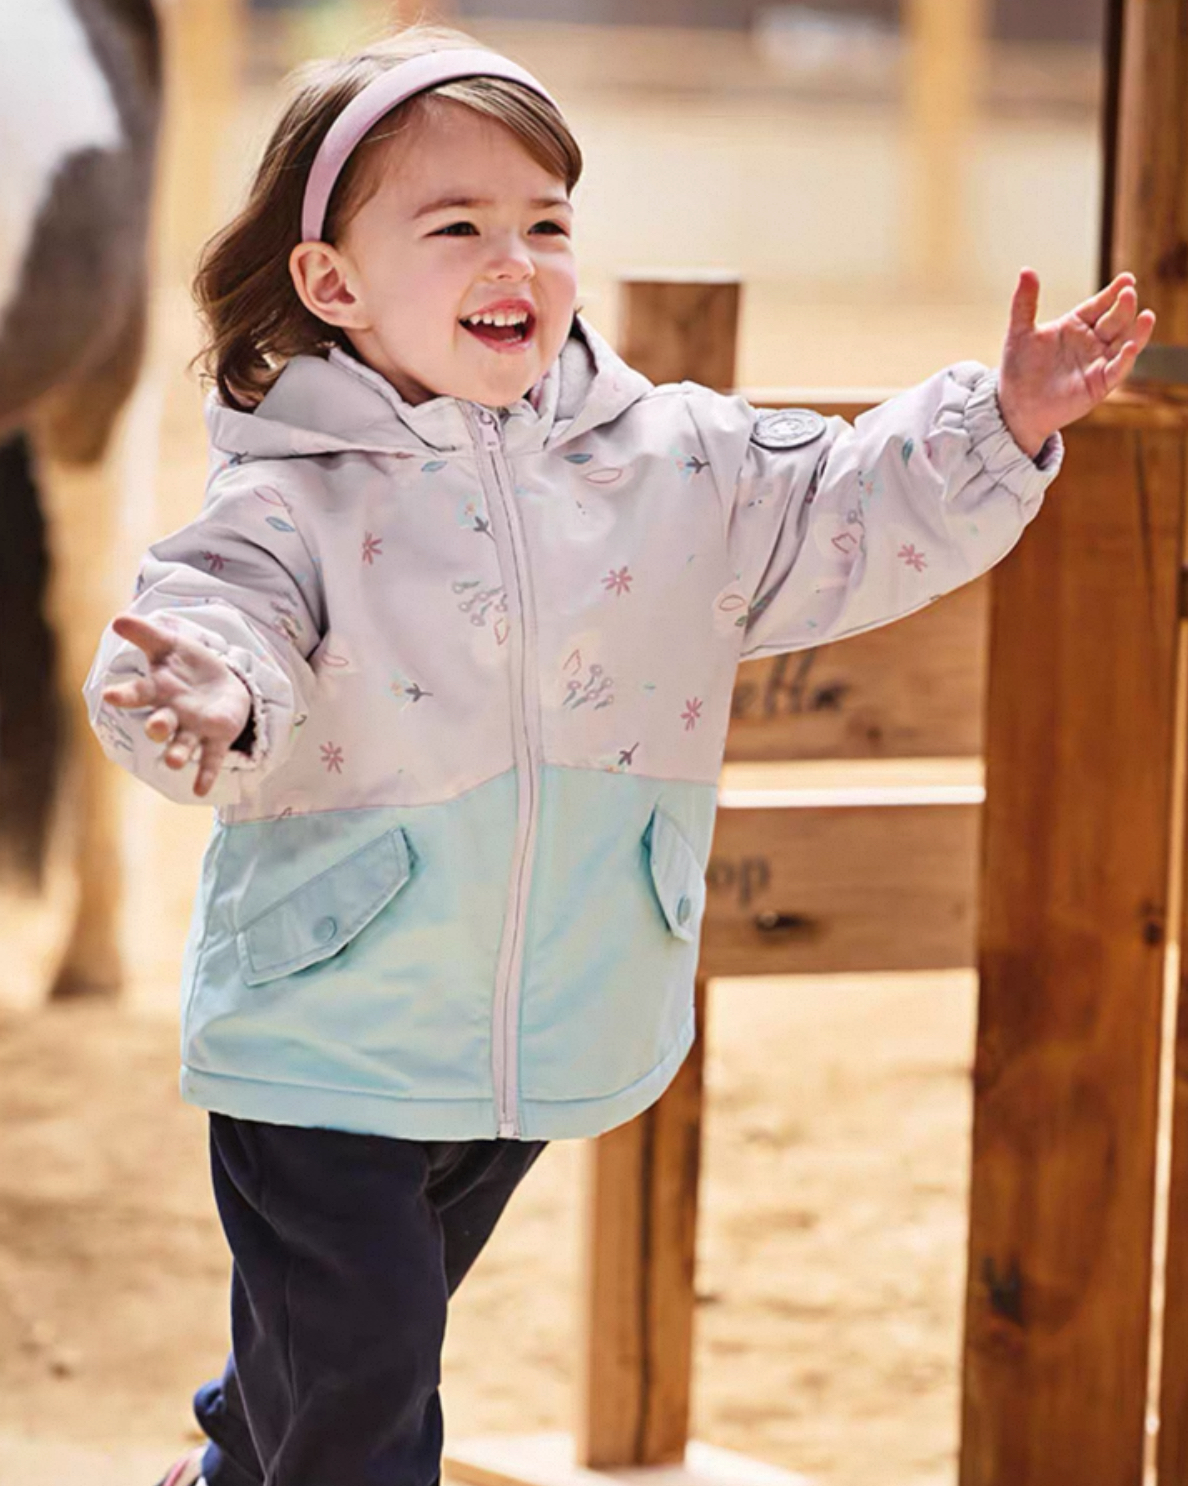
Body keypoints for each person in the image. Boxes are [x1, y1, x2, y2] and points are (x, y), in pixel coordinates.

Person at [84, 23, 1154, 1486]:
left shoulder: (673, 463)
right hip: (326, 1029)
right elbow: (221, 617)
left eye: (546, 224)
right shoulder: (292, 497)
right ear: (333, 283)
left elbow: (841, 502)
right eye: (456, 226)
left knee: (342, 1344)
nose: (513, 259)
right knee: (367, 1373)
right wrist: (208, 691)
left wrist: (999, 424)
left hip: (548, 1012)